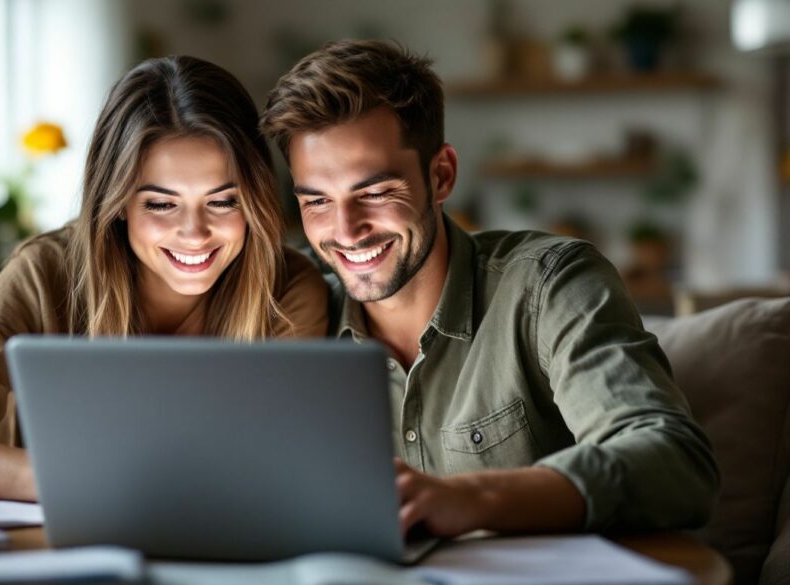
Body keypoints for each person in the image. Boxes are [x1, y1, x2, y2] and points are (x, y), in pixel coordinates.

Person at [261, 40, 719, 537]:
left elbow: (676, 462)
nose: (347, 231)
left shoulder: (550, 284)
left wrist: (472, 498)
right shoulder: (293, 304)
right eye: (317, 202)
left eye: (375, 193)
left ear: (441, 176)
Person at [0, 56, 329, 501]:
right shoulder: (47, 272)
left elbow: (274, 465)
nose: (194, 234)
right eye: (161, 204)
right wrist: (69, 481)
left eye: (224, 201)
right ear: (119, 202)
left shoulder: (287, 290)